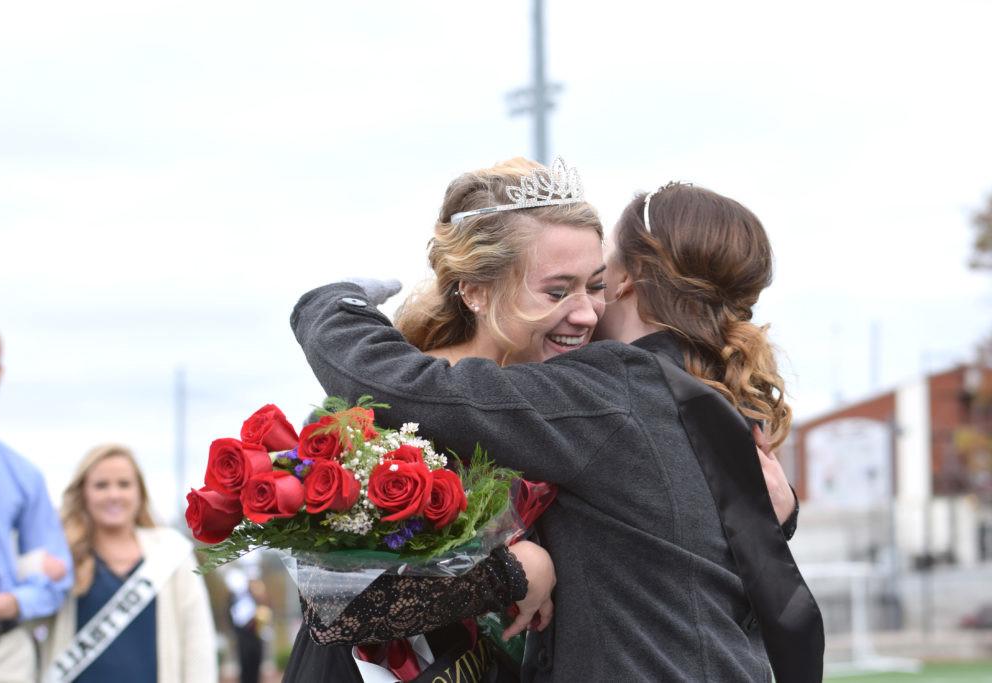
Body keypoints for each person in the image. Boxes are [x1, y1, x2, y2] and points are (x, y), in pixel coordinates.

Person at [288, 161, 823, 682]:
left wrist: (331, 306)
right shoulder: (672, 394)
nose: (587, 311)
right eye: (557, 289)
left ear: (628, 282)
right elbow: (334, 603)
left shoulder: (603, 393)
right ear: (474, 289)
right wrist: (511, 573)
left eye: (596, 283)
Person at [41, 444, 218, 683]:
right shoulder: (63, 556)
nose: (114, 494)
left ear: (140, 492)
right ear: (83, 492)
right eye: (101, 485)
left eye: (124, 484)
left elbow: (198, 641)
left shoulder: (172, 552)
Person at [0, 318, 73, 682]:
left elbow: (59, 577)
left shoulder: (23, 475)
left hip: (6, 657)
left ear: (0, 372)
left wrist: (3, 604)